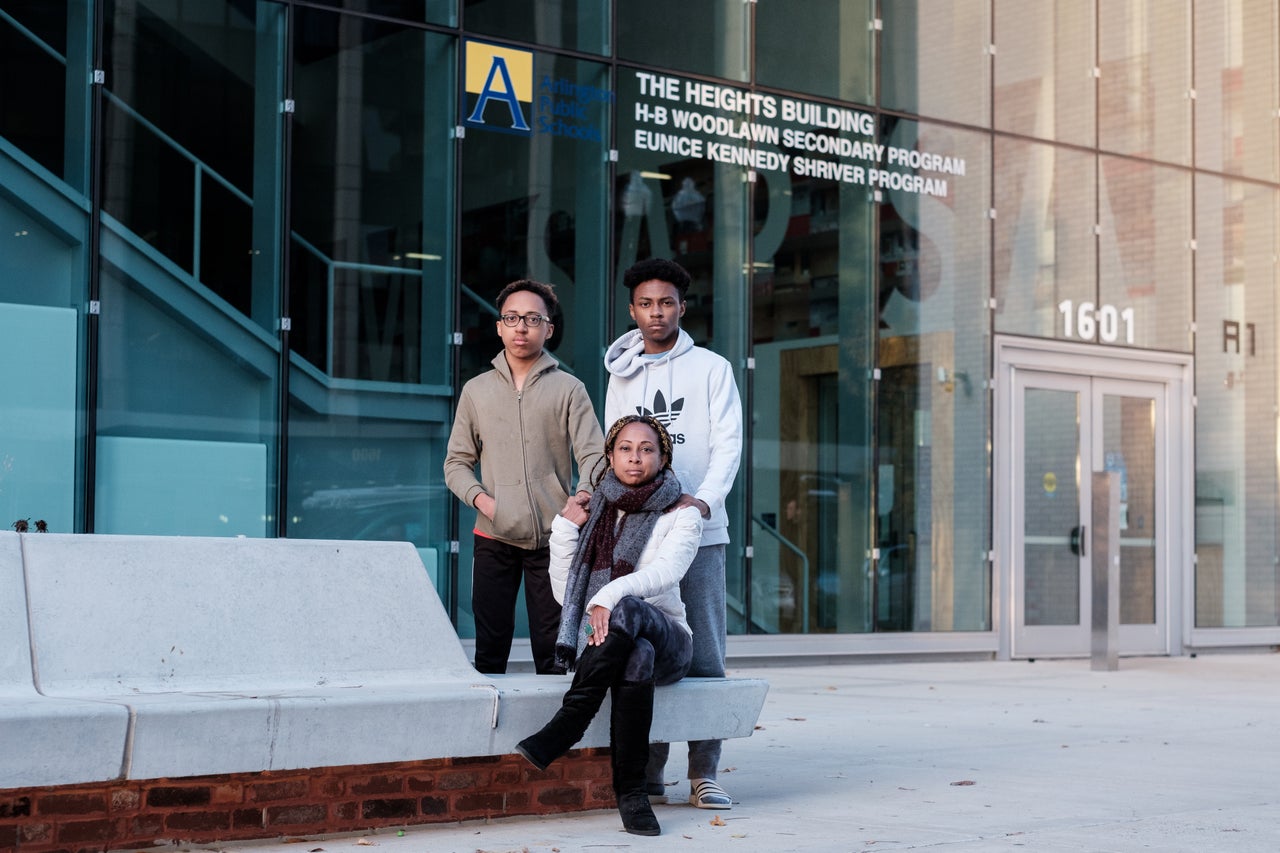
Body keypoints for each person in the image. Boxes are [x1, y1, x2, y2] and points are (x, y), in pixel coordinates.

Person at [516, 415, 703, 837]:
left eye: (647, 449)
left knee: (629, 609)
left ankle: (569, 721)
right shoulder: (597, 509)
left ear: (662, 456)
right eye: (625, 448)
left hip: (670, 641)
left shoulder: (681, 512)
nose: (635, 458)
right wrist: (565, 528)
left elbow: (668, 573)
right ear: (610, 456)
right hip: (623, 646)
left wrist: (608, 595)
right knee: (636, 654)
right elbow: (568, 597)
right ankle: (632, 795)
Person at [604, 257, 743, 810]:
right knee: (648, 649)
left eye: (665, 303)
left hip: (701, 533)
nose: (655, 312)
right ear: (632, 310)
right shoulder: (622, 373)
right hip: (641, 534)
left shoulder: (712, 368)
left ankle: (704, 771)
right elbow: (613, 447)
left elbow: (728, 445)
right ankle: (652, 769)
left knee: (706, 653)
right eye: (645, 303)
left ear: (681, 308)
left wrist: (704, 500)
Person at [444, 279, 604, 675]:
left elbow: (595, 458)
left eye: (532, 319)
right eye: (512, 318)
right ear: (499, 326)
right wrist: (486, 503)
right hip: (493, 536)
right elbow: (456, 464)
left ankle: (552, 735)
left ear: (548, 328)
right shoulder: (476, 391)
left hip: (554, 538)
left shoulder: (569, 389)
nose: (521, 327)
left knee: (554, 652)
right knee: (490, 647)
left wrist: (578, 502)